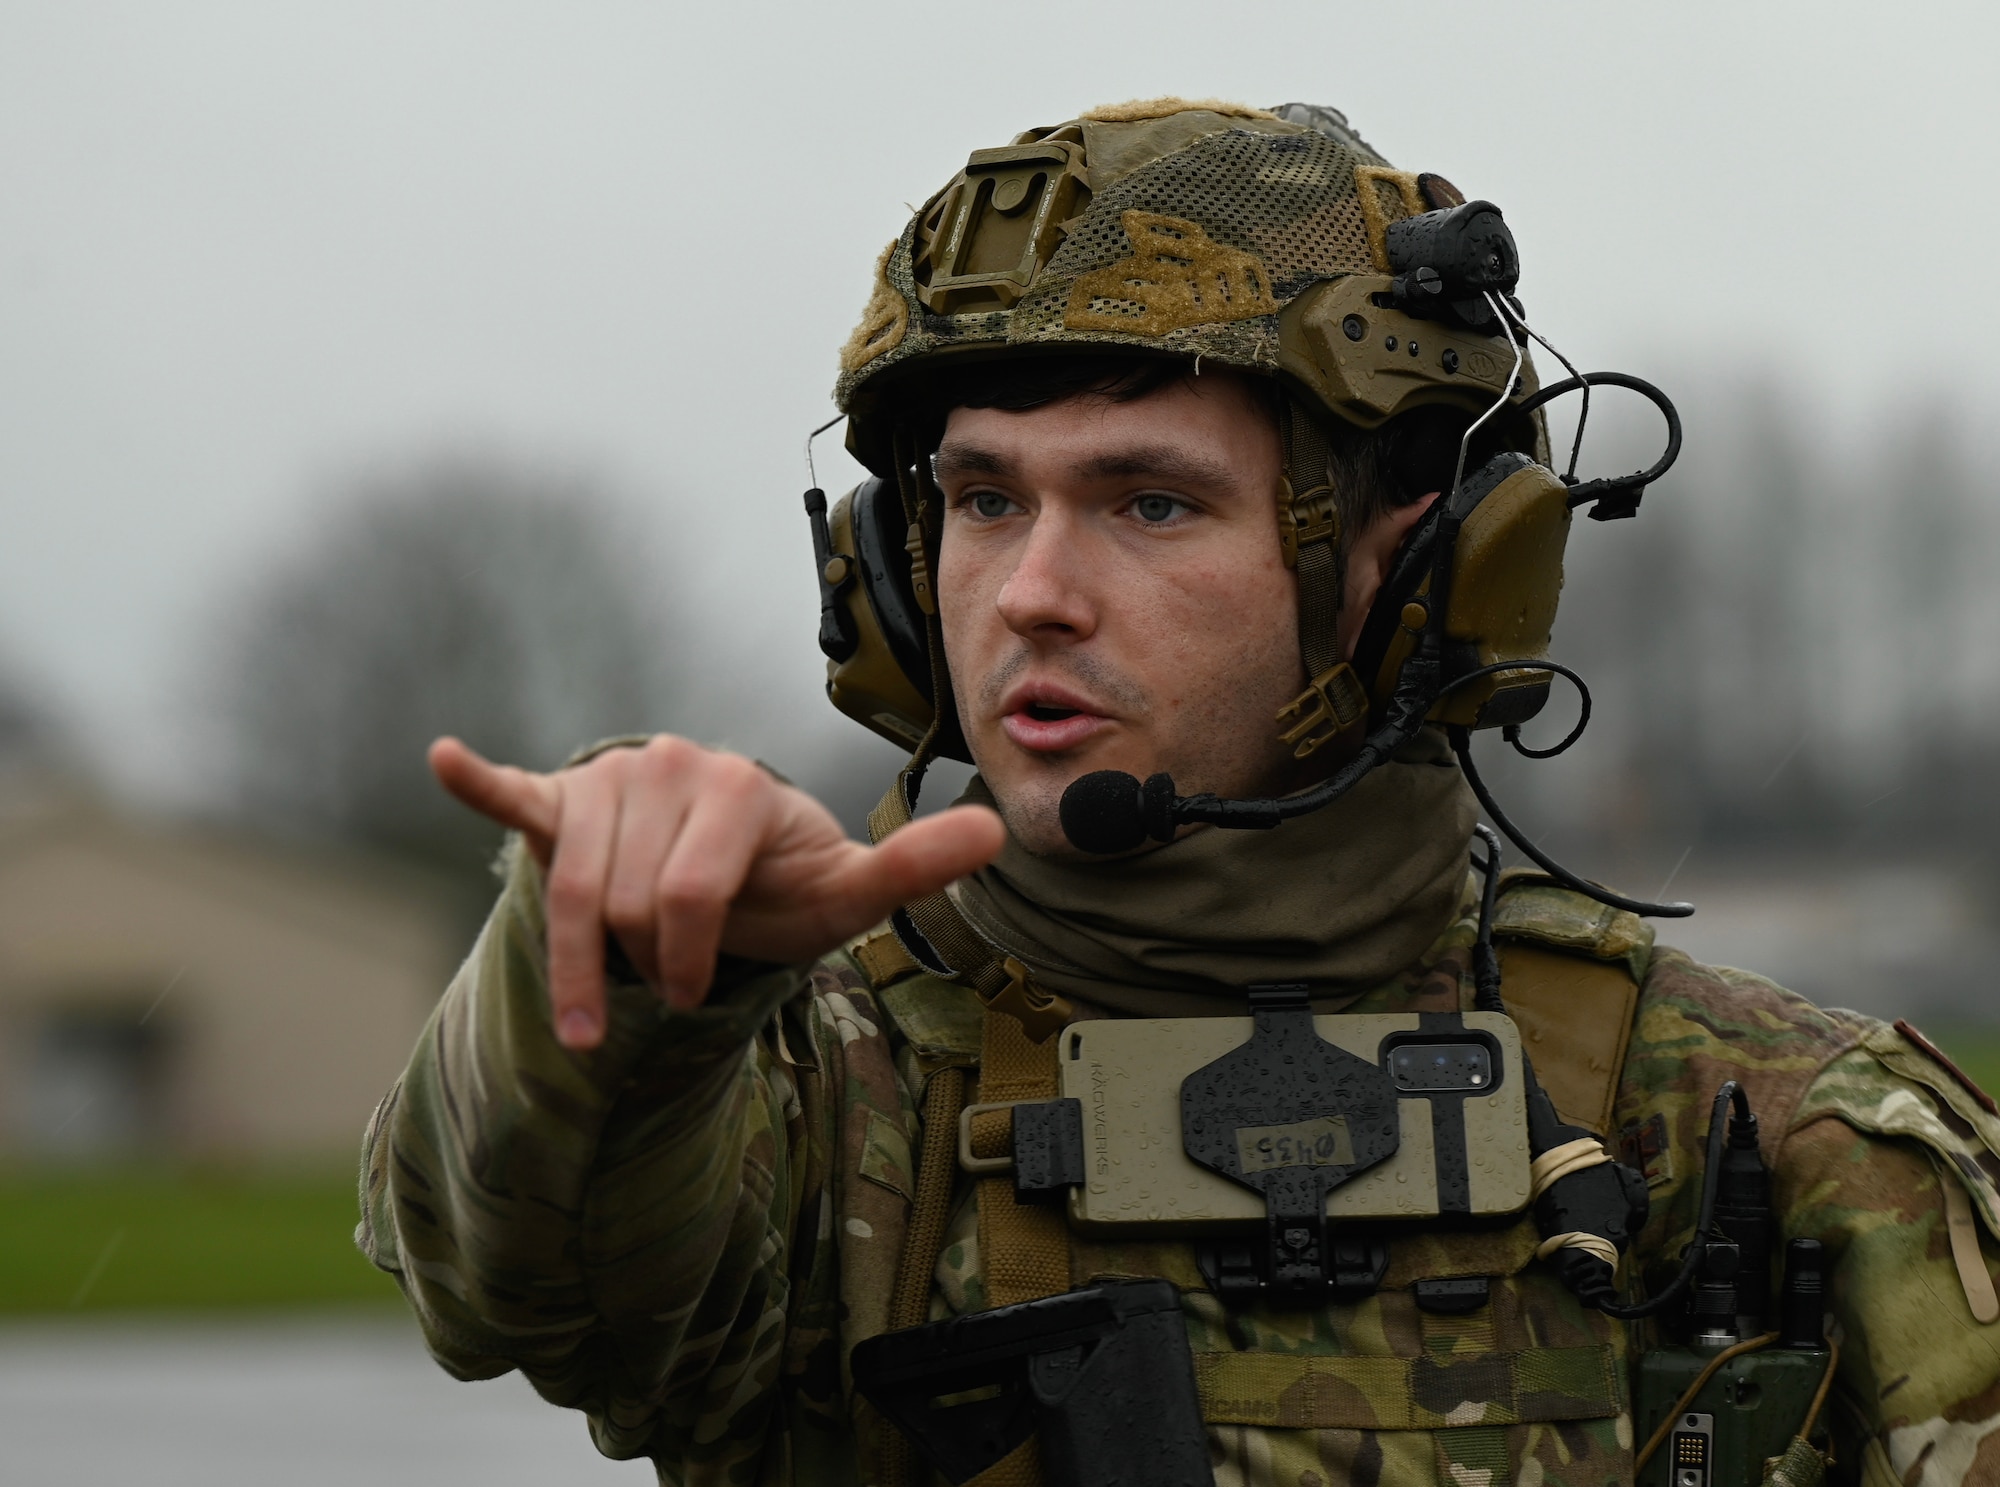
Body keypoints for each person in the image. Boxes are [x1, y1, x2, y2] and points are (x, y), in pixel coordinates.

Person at [358, 98, 2000, 1486]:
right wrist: (645, 975)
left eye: (1149, 504)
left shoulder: (1795, 1138)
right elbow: (509, 1279)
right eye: (984, 502)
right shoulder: (812, 1104)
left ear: (1415, 568)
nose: (1031, 594)